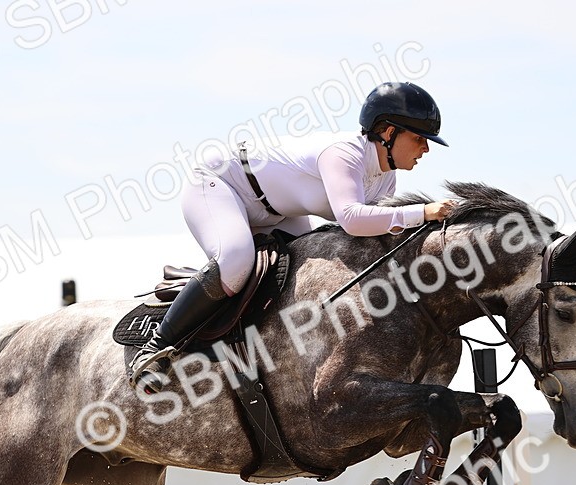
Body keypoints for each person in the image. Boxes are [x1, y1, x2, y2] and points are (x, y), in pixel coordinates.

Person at [130, 81, 454, 394]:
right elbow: (352, 219)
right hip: (222, 186)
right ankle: (155, 348)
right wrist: (422, 213)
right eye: (419, 138)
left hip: (278, 212)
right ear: (388, 133)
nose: (425, 148)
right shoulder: (344, 154)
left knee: (305, 274)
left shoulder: (385, 178)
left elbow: (371, 236)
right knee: (235, 261)